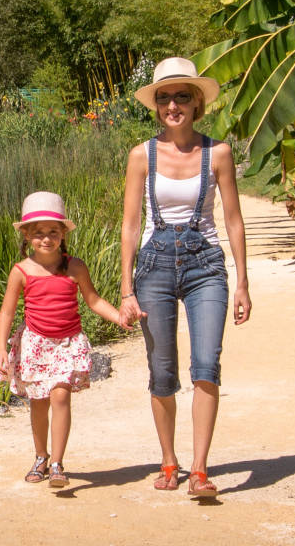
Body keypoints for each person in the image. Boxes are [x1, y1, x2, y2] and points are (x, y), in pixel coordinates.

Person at [116, 57, 253, 497]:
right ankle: (169, 461)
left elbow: (233, 220)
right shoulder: (141, 155)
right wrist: (126, 288)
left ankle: (199, 470)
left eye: (181, 97)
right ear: (157, 106)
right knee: (161, 372)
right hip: (153, 267)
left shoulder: (219, 153)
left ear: (196, 103)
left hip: (205, 266)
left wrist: (243, 282)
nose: (172, 106)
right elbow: (130, 225)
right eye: (164, 98)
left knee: (207, 365)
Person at [0, 191, 129, 489]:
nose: (46, 238)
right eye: (39, 233)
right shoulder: (21, 271)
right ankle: (40, 456)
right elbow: (6, 312)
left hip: (68, 343)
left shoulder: (75, 267)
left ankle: (57, 463)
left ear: (63, 234)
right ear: (27, 235)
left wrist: (119, 317)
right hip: (36, 344)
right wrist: (1, 348)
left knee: (60, 396)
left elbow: (94, 300)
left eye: (53, 232)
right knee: (38, 402)